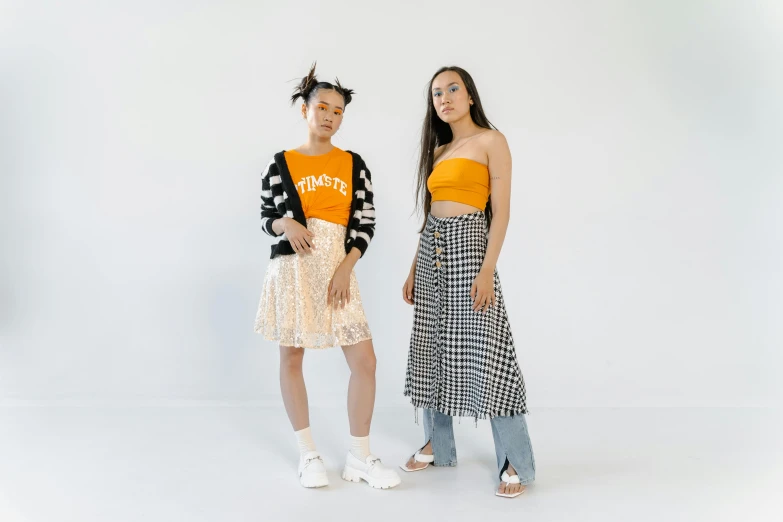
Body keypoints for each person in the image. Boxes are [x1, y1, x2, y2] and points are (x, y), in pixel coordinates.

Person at [255, 63, 400, 490]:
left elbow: (365, 222)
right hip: (293, 269)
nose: (330, 116)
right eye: (322, 107)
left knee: (364, 361)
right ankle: (308, 453)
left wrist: (346, 267)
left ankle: (359, 455)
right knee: (292, 356)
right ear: (305, 109)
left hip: (338, 271)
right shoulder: (280, 163)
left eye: (338, 111)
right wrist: (286, 223)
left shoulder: (353, 164)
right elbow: (266, 217)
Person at [400, 66, 535, 498]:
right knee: (431, 345)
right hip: (433, 252)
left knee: (490, 352)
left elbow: (503, 211)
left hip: (470, 247)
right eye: (437, 92)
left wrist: (487, 268)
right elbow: (431, 213)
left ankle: (514, 460)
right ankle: (438, 445)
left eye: (453, 88)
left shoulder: (491, 142)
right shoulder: (439, 151)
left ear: (470, 95)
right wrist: (414, 268)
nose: (445, 97)